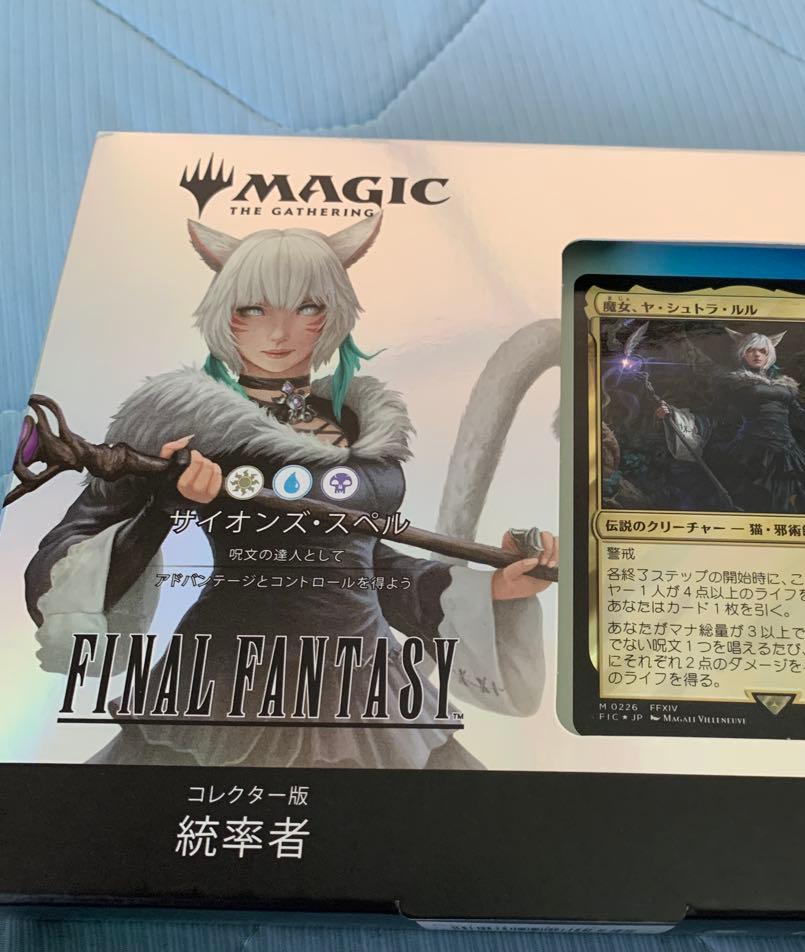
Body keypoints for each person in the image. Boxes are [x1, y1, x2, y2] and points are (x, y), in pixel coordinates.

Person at [25, 213, 555, 769]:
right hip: (228, 675)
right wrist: (163, 506)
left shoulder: (358, 420)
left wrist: (495, 588)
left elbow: (366, 562)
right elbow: (70, 550)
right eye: (252, 309)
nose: (278, 332)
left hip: (366, 679)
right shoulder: (174, 420)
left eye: (306, 307)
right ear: (223, 313)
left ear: (333, 312)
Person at [655, 328, 805, 514]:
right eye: (751, 350)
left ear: (769, 354)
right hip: (751, 451)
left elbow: (801, 418)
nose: (757, 355)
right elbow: (716, 415)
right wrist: (672, 414)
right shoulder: (734, 382)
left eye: (762, 351)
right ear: (742, 353)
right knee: (754, 502)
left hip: (788, 453)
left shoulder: (785, 385)